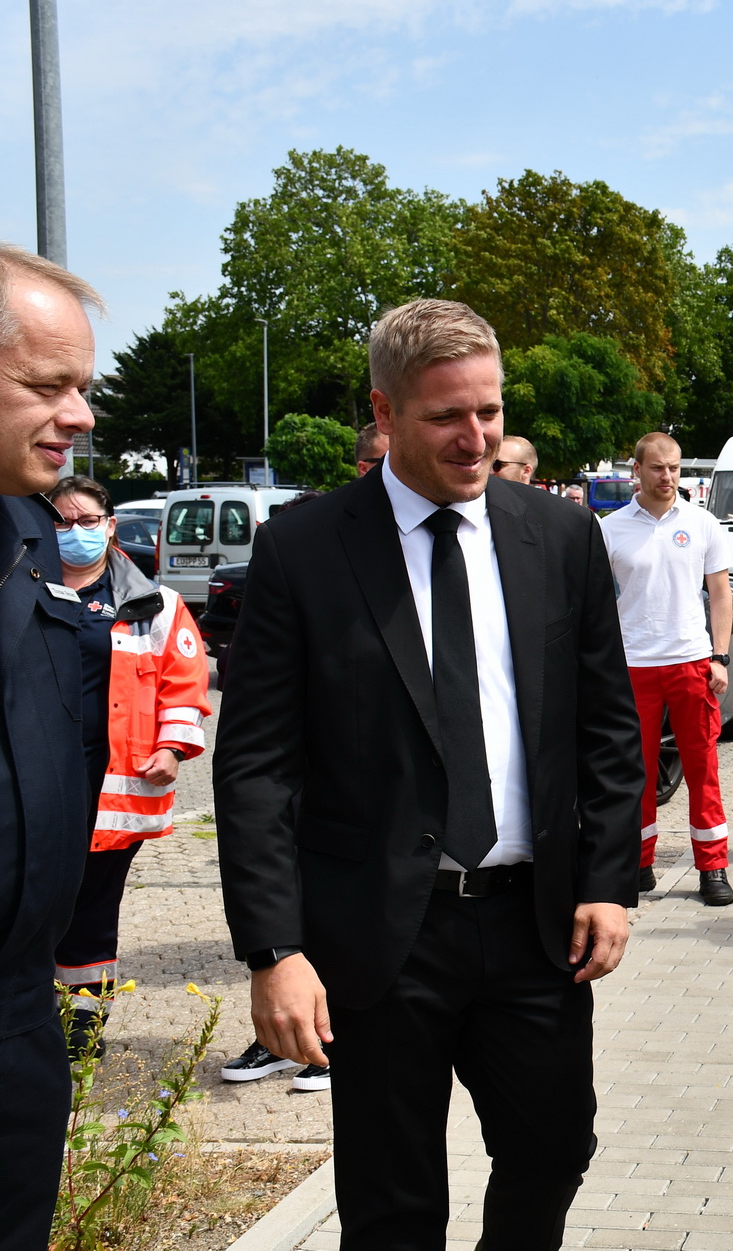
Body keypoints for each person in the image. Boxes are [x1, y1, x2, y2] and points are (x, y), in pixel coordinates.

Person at [213, 299, 646, 1250]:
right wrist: (274, 950)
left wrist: (610, 882)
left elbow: (608, 726)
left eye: (489, 411)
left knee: (554, 1149)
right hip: (378, 934)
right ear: (384, 413)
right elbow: (254, 767)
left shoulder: (560, 536)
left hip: (535, 926)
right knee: (392, 1202)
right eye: (447, 415)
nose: (476, 438)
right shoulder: (305, 549)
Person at [0, 244, 100, 1251]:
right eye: (47, 385)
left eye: (85, 387)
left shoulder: (31, 542)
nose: (80, 415)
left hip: (21, 1015)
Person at [47, 478, 210, 1061]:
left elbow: (184, 684)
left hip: (113, 784)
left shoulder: (154, 603)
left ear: (110, 525)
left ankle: (80, 1032)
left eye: (87, 521)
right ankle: (31, 1022)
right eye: (61, 522)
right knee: (36, 899)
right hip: (39, 780)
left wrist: (173, 749)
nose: (74, 532)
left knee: (92, 906)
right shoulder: (25, 589)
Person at [602, 432, 733, 907]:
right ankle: (638, 864)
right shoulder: (610, 529)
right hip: (631, 667)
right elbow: (595, 602)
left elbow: (720, 595)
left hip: (691, 663)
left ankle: (713, 867)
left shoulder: (703, 524)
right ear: (636, 470)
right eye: (658, 468)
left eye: (675, 468)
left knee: (703, 771)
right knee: (632, 774)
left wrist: (720, 656)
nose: (668, 477)